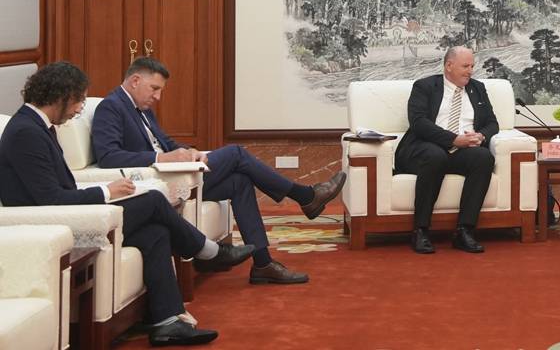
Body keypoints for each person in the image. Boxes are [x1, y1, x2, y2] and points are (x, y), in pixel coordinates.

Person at [0, 62, 255, 346]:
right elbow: (51, 199)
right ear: (61, 96)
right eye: (79, 101)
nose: (79, 109)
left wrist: (108, 192)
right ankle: (208, 252)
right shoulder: (26, 132)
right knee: (153, 201)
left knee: (155, 232)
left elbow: (60, 188)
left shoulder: (38, 126)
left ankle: (167, 322)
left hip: (69, 212)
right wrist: (106, 192)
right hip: (51, 223)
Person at [90, 57, 346, 285]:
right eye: (154, 89)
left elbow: (165, 141)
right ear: (135, 80)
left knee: (240, 181)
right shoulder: (110, 107)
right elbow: (109, 157)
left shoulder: (142, 109)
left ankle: (263, 263)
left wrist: (189, 151)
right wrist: (162, 158)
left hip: (179, 175)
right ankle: (305, 196)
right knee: (235, 153)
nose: (157, 97)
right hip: (157, 183)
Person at [393, 46, 498, 254]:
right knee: (436, 156)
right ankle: (420, 230)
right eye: (465, 66)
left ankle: (464, 231)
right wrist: (453, 139)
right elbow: (419, 123)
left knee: (483, 157)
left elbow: (492, 123)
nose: (470, 71)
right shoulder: (424, 86)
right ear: (449, 66)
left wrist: (481, 136)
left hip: (462, 149)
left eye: (472, 66)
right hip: (425, 147)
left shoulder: (477, 88)